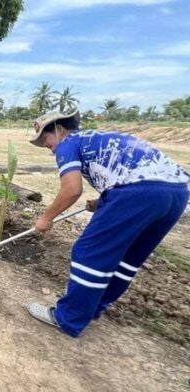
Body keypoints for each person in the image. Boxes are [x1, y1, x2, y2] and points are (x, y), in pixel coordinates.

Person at [27, 110, 189, 338]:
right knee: (128, 258)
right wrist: (103, 200)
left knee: (88, 253)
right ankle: (92, 306)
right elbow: (127, 172)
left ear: (60, 130)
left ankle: (69, 318)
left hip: (138, 192)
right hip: (177, 192)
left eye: (46, 139)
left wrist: (46, 217)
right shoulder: (96, 137)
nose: (47, 146)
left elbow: (72, 189)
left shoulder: (68, 143)